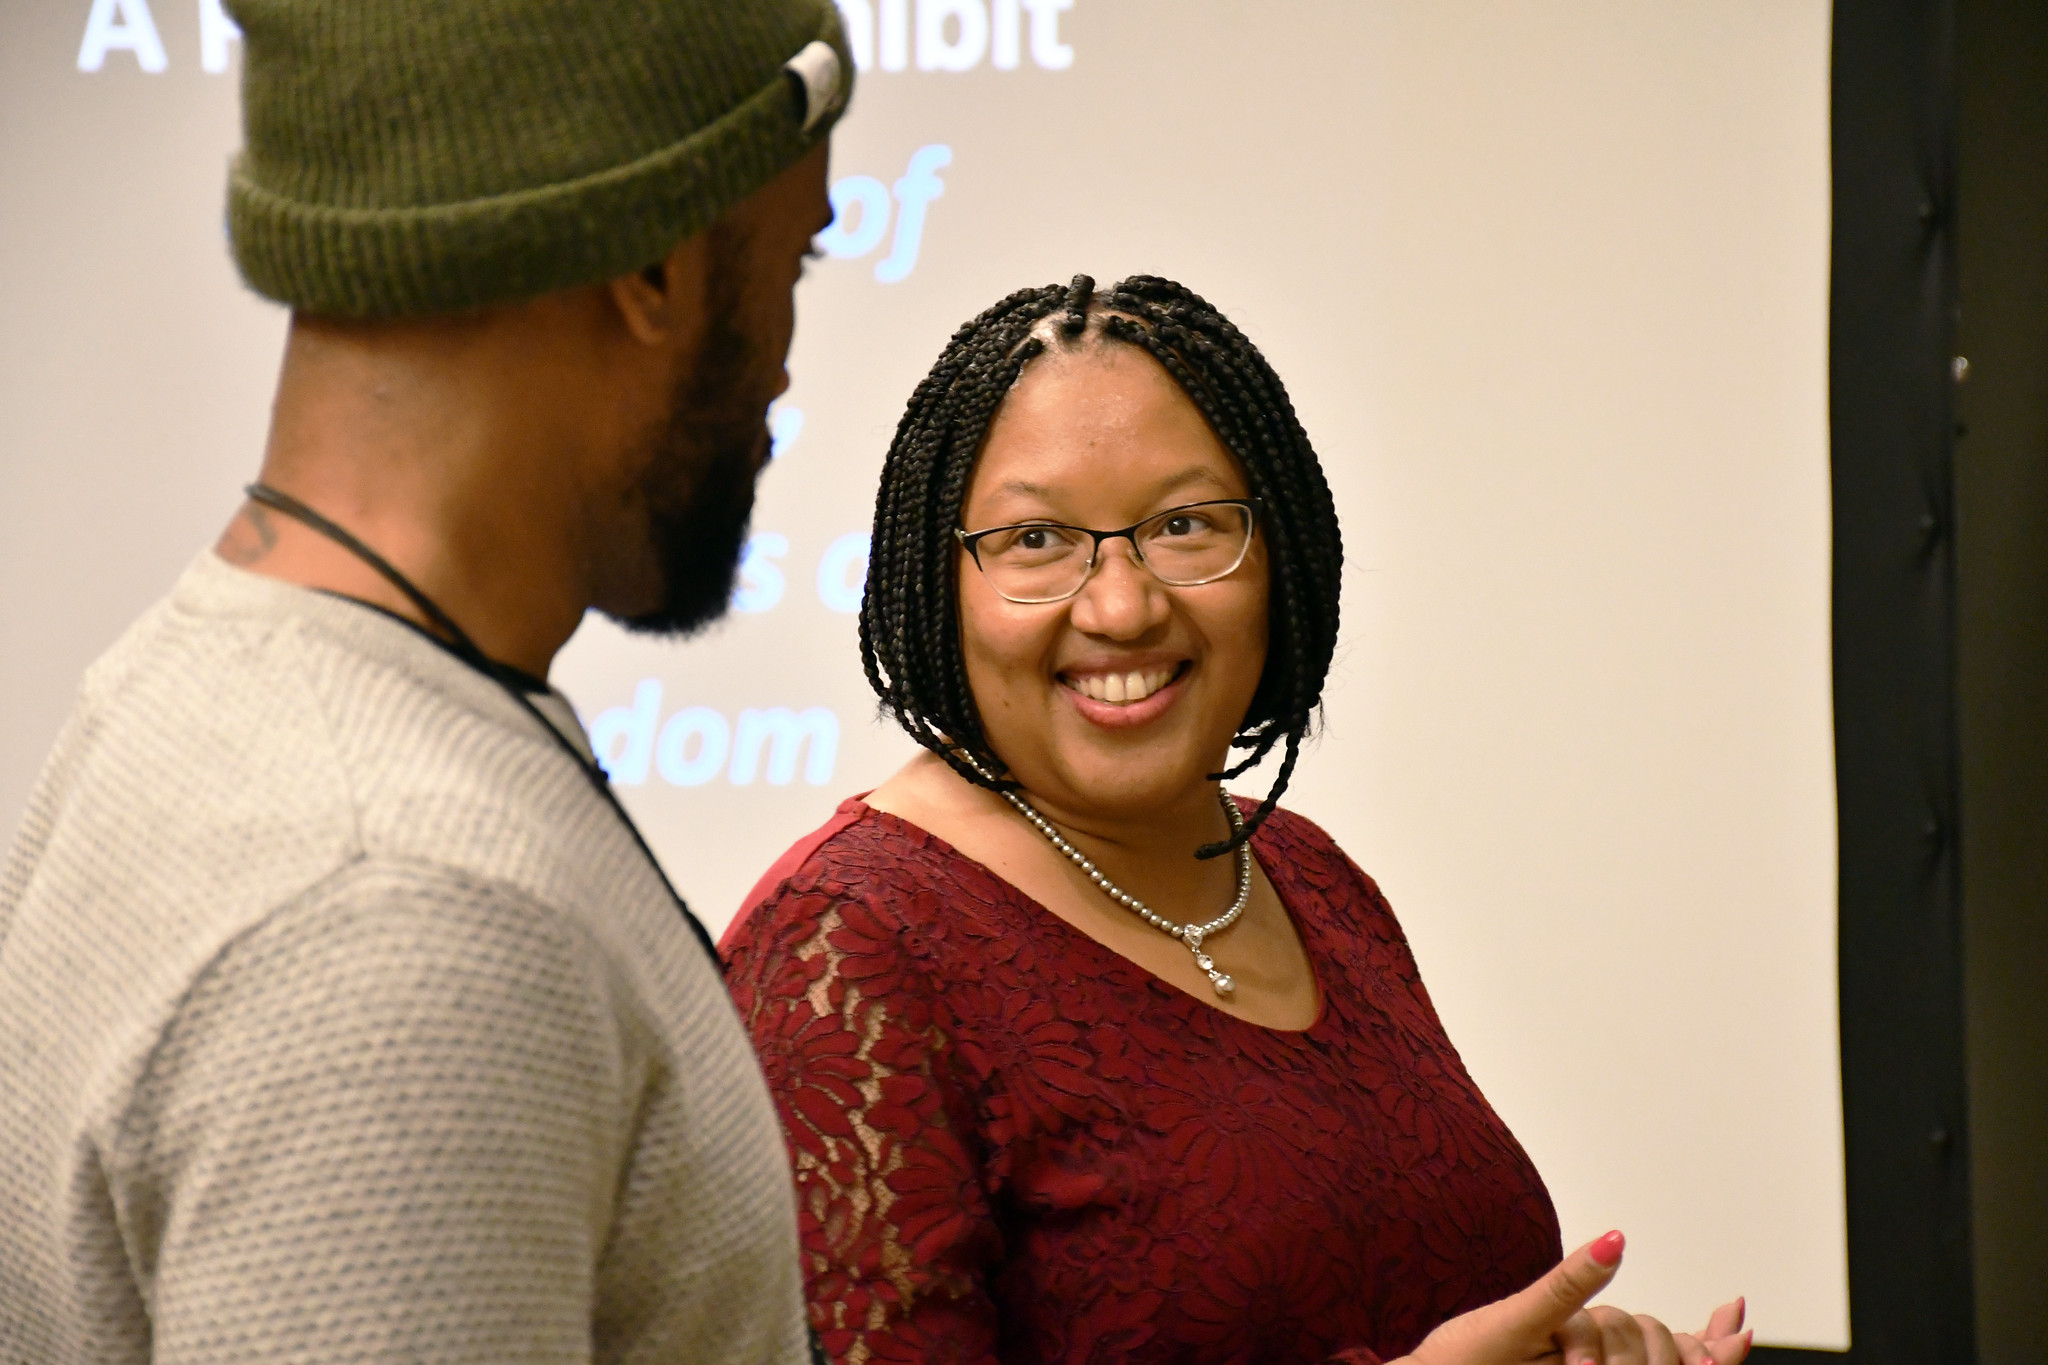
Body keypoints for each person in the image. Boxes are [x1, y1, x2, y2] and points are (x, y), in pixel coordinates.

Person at [0, 1, 852, 1361]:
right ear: (655, 259)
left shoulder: (194, 686)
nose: (786, 366)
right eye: (789, 263)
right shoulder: (404, 918)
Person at [722, 277, 1755, 1365]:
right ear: (937, 582)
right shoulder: (846, 944)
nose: (1121, 606)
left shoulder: (1304, 874)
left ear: (1280, 556)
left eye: (1184, 526)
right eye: (1035, 539)